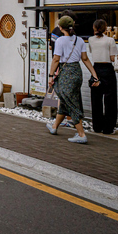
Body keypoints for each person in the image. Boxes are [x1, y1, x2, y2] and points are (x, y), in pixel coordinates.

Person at [46, 16, 99, 144]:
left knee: (71, 102)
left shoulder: (60, 41)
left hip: (66, 73)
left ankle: (81, 134)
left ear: (60, 27)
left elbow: (56, 59)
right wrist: (94, 74)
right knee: (66, 99)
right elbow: (85, 59)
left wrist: (51, 75)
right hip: (76, 71)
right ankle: (54, 127)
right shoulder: (80, 40)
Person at [88, 19, 118, 135]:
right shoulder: (110, 40)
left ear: (94, 27)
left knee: (96, 99)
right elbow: (113, 58)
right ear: (105, 28)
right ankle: (108, 128)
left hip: (95, 69)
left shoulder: (90, 40)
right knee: (110, 100)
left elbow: (92, 53)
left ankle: (97, 126)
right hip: (107, 70)